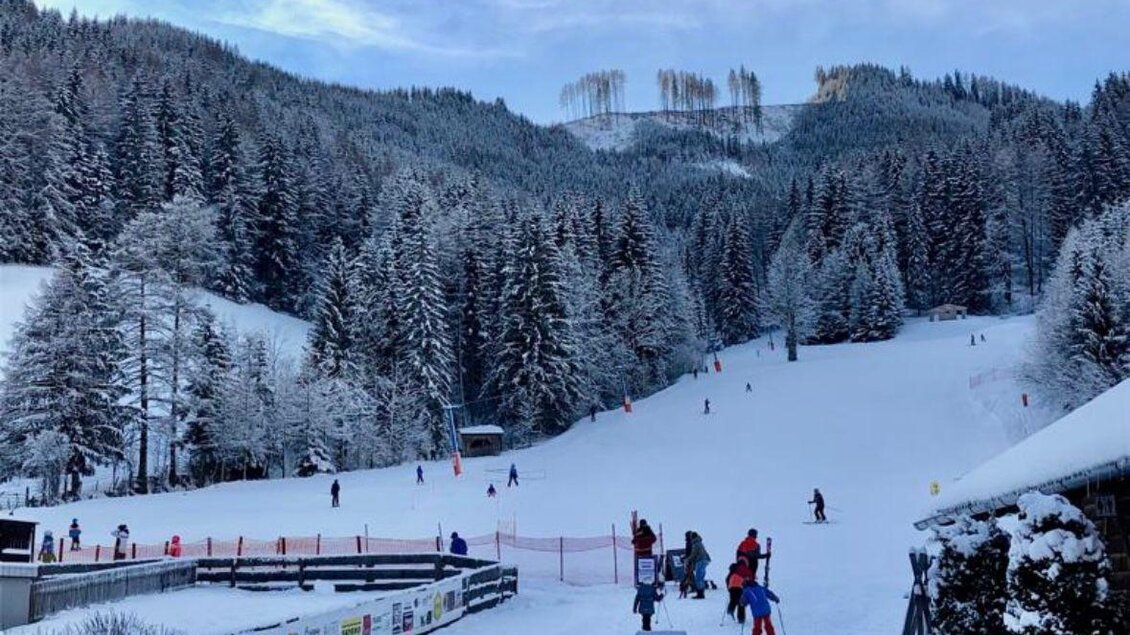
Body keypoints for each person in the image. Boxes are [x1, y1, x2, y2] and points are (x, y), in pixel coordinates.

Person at [686, 532, 710, 599]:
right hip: (704, 561)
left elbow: (693, 554)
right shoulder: (700, 543)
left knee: (698, 578)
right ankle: (701, 593)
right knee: (701, 578)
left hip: (700, 561)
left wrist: (687, 559)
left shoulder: (695, 544)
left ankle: (700, 594)